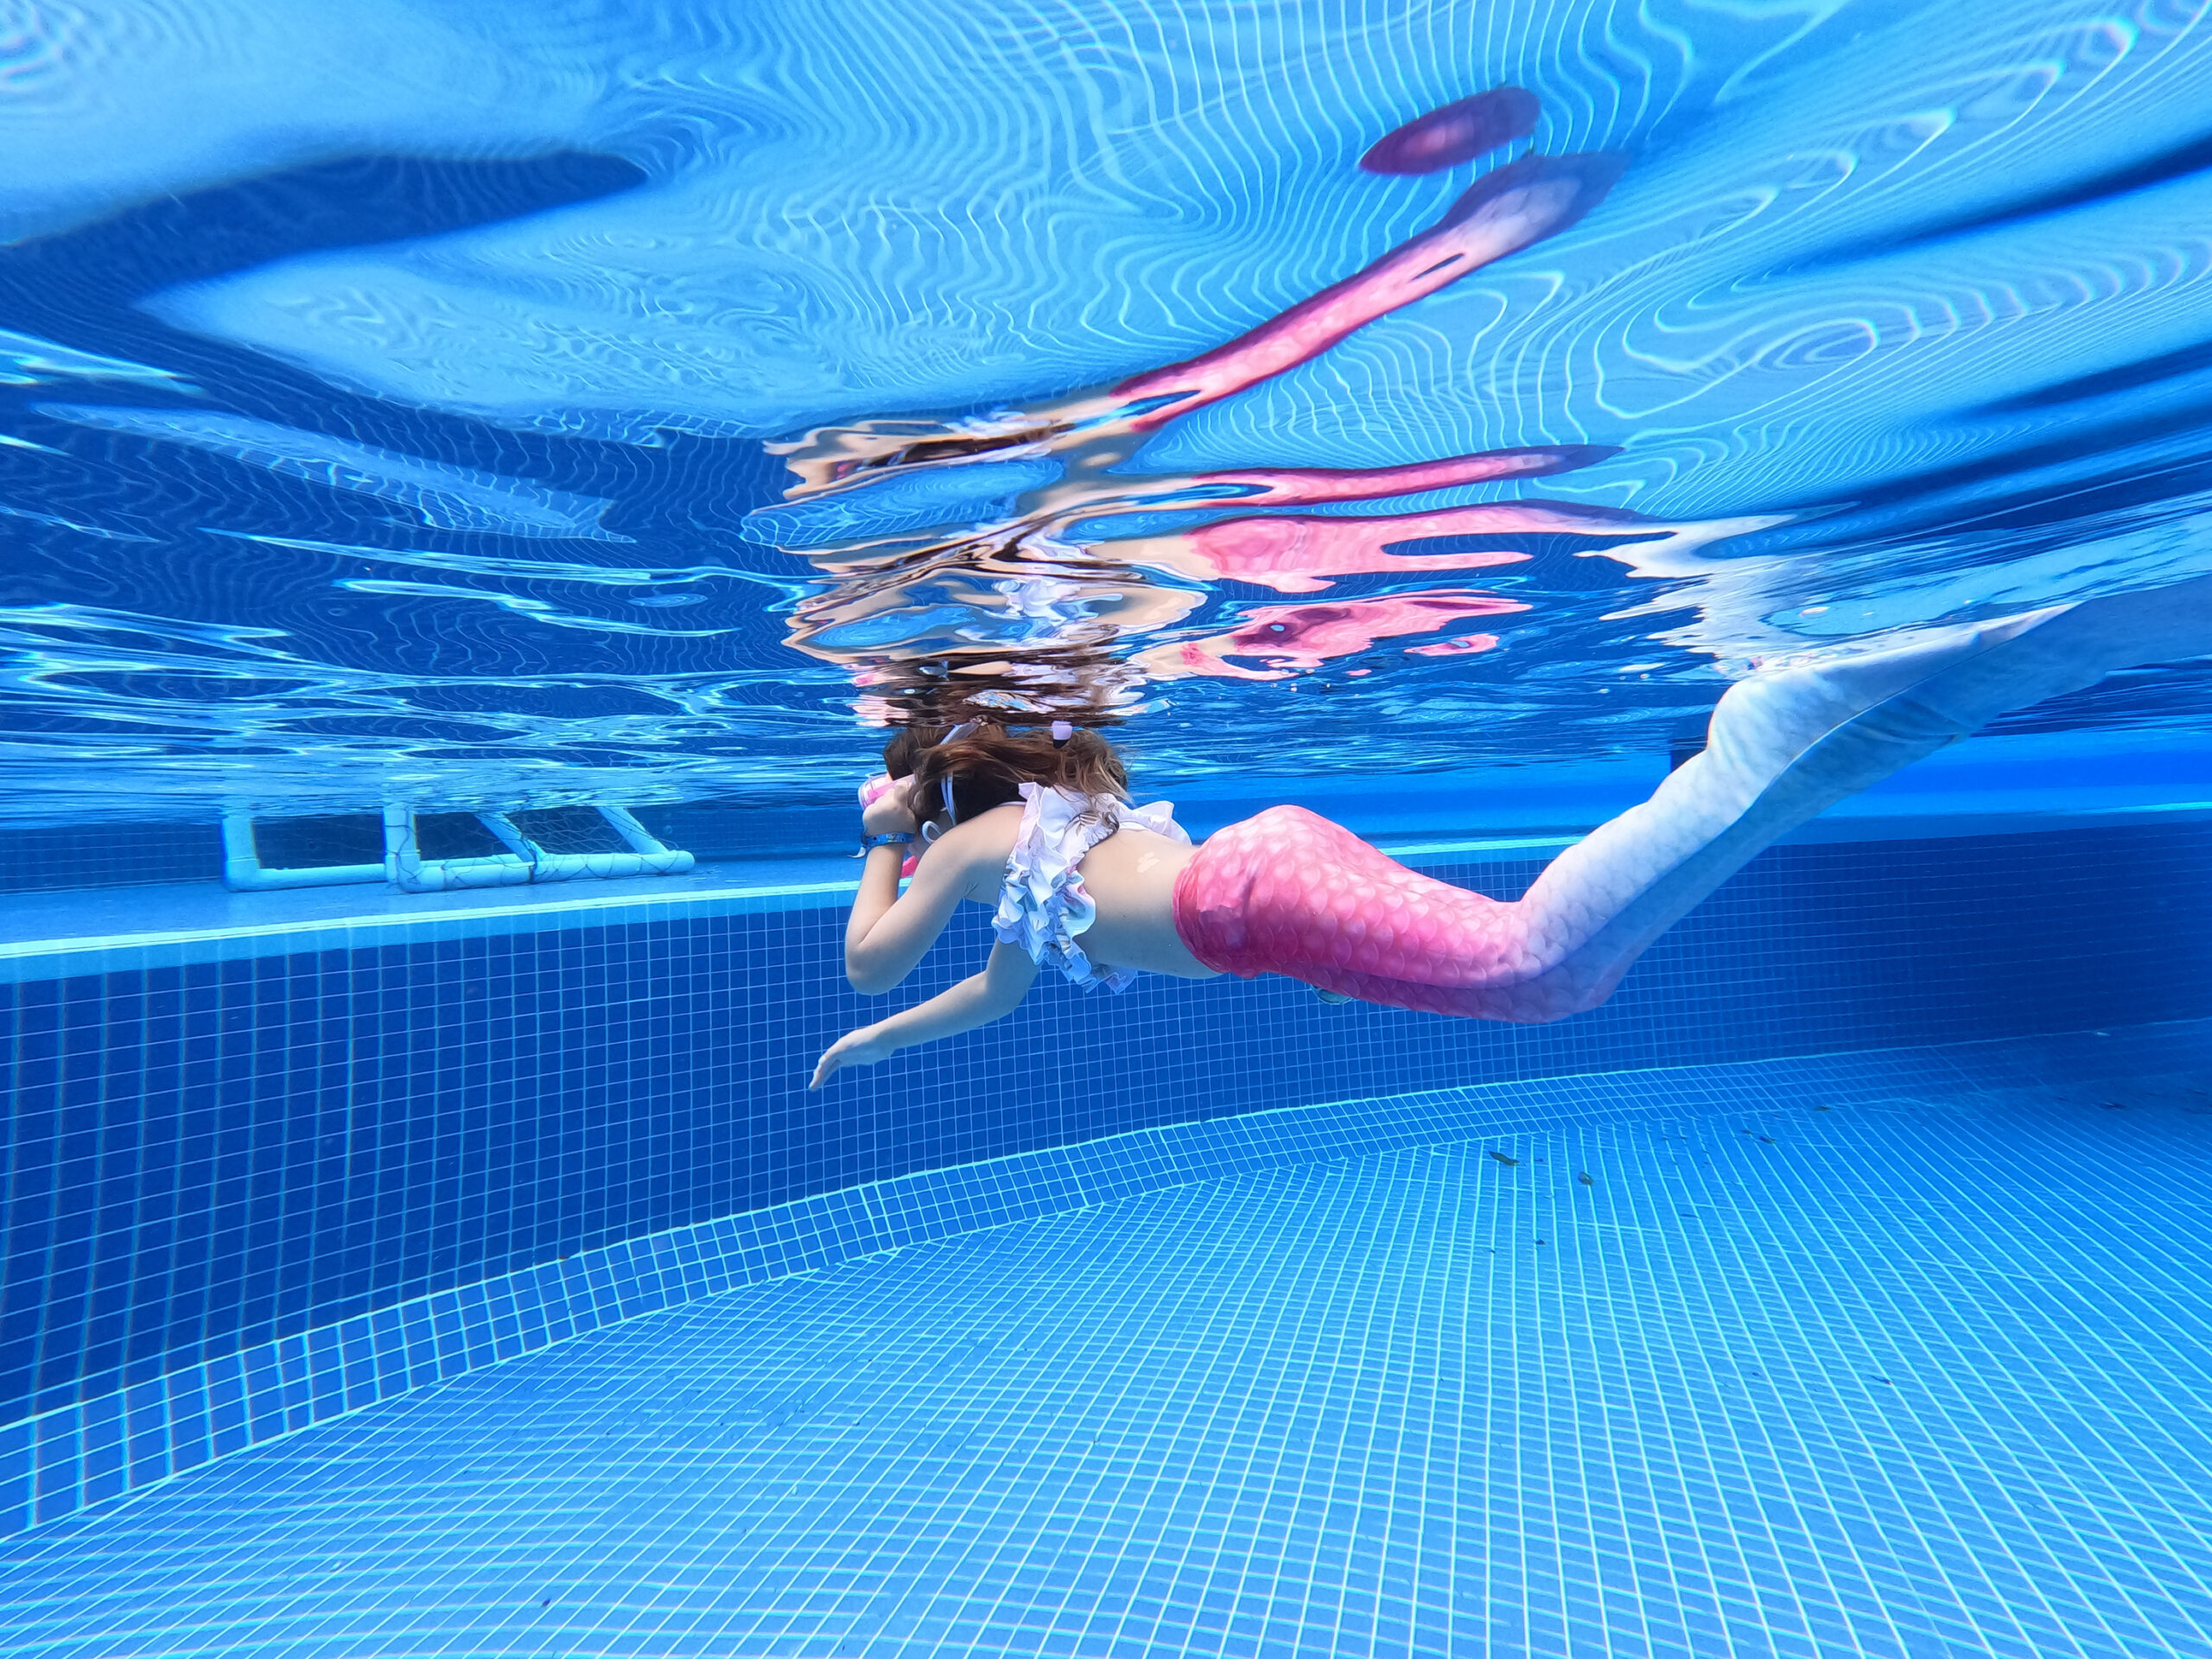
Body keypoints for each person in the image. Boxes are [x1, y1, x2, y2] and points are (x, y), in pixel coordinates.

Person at [810, 575, 2212, 1087]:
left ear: (935, 787)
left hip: (1247, 894)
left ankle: (1777, 737)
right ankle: (1867, 721)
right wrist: (874, 1047)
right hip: (1256, 889)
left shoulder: (968, 846)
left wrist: (881, 833)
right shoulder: (1035, 845)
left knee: (1539, 969)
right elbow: (985, 991)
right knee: (1557, 978)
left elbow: (878, 955)